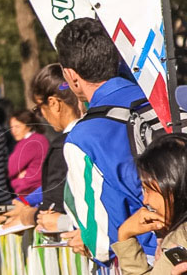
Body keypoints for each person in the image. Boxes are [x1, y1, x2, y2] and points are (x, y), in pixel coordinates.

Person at [56, 18, 156, 259]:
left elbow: (100, 244)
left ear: (72, 75)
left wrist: (86, 240)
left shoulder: (82, 139)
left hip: (151, 266)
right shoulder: (163, 97)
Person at [0, 64, 82, 231]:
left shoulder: (65, 146)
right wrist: (27, 202)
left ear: (53, 104)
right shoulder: (97, 130)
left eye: (39, 108)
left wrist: (29, 215)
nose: (42, 115)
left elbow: (53, 208)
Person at [112, 135, 187, 275]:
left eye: (148, 189)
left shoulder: (180, 239)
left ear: (172, 185)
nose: (145, 200)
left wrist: (125, 234)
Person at [6, 110, 49, 200]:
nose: (13, 131)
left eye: (17, 127)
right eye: (11, 127)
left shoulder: (32, 142)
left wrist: (19, 178)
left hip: (32, 191)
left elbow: (11, 168)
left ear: (28, 126)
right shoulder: (34, 140)